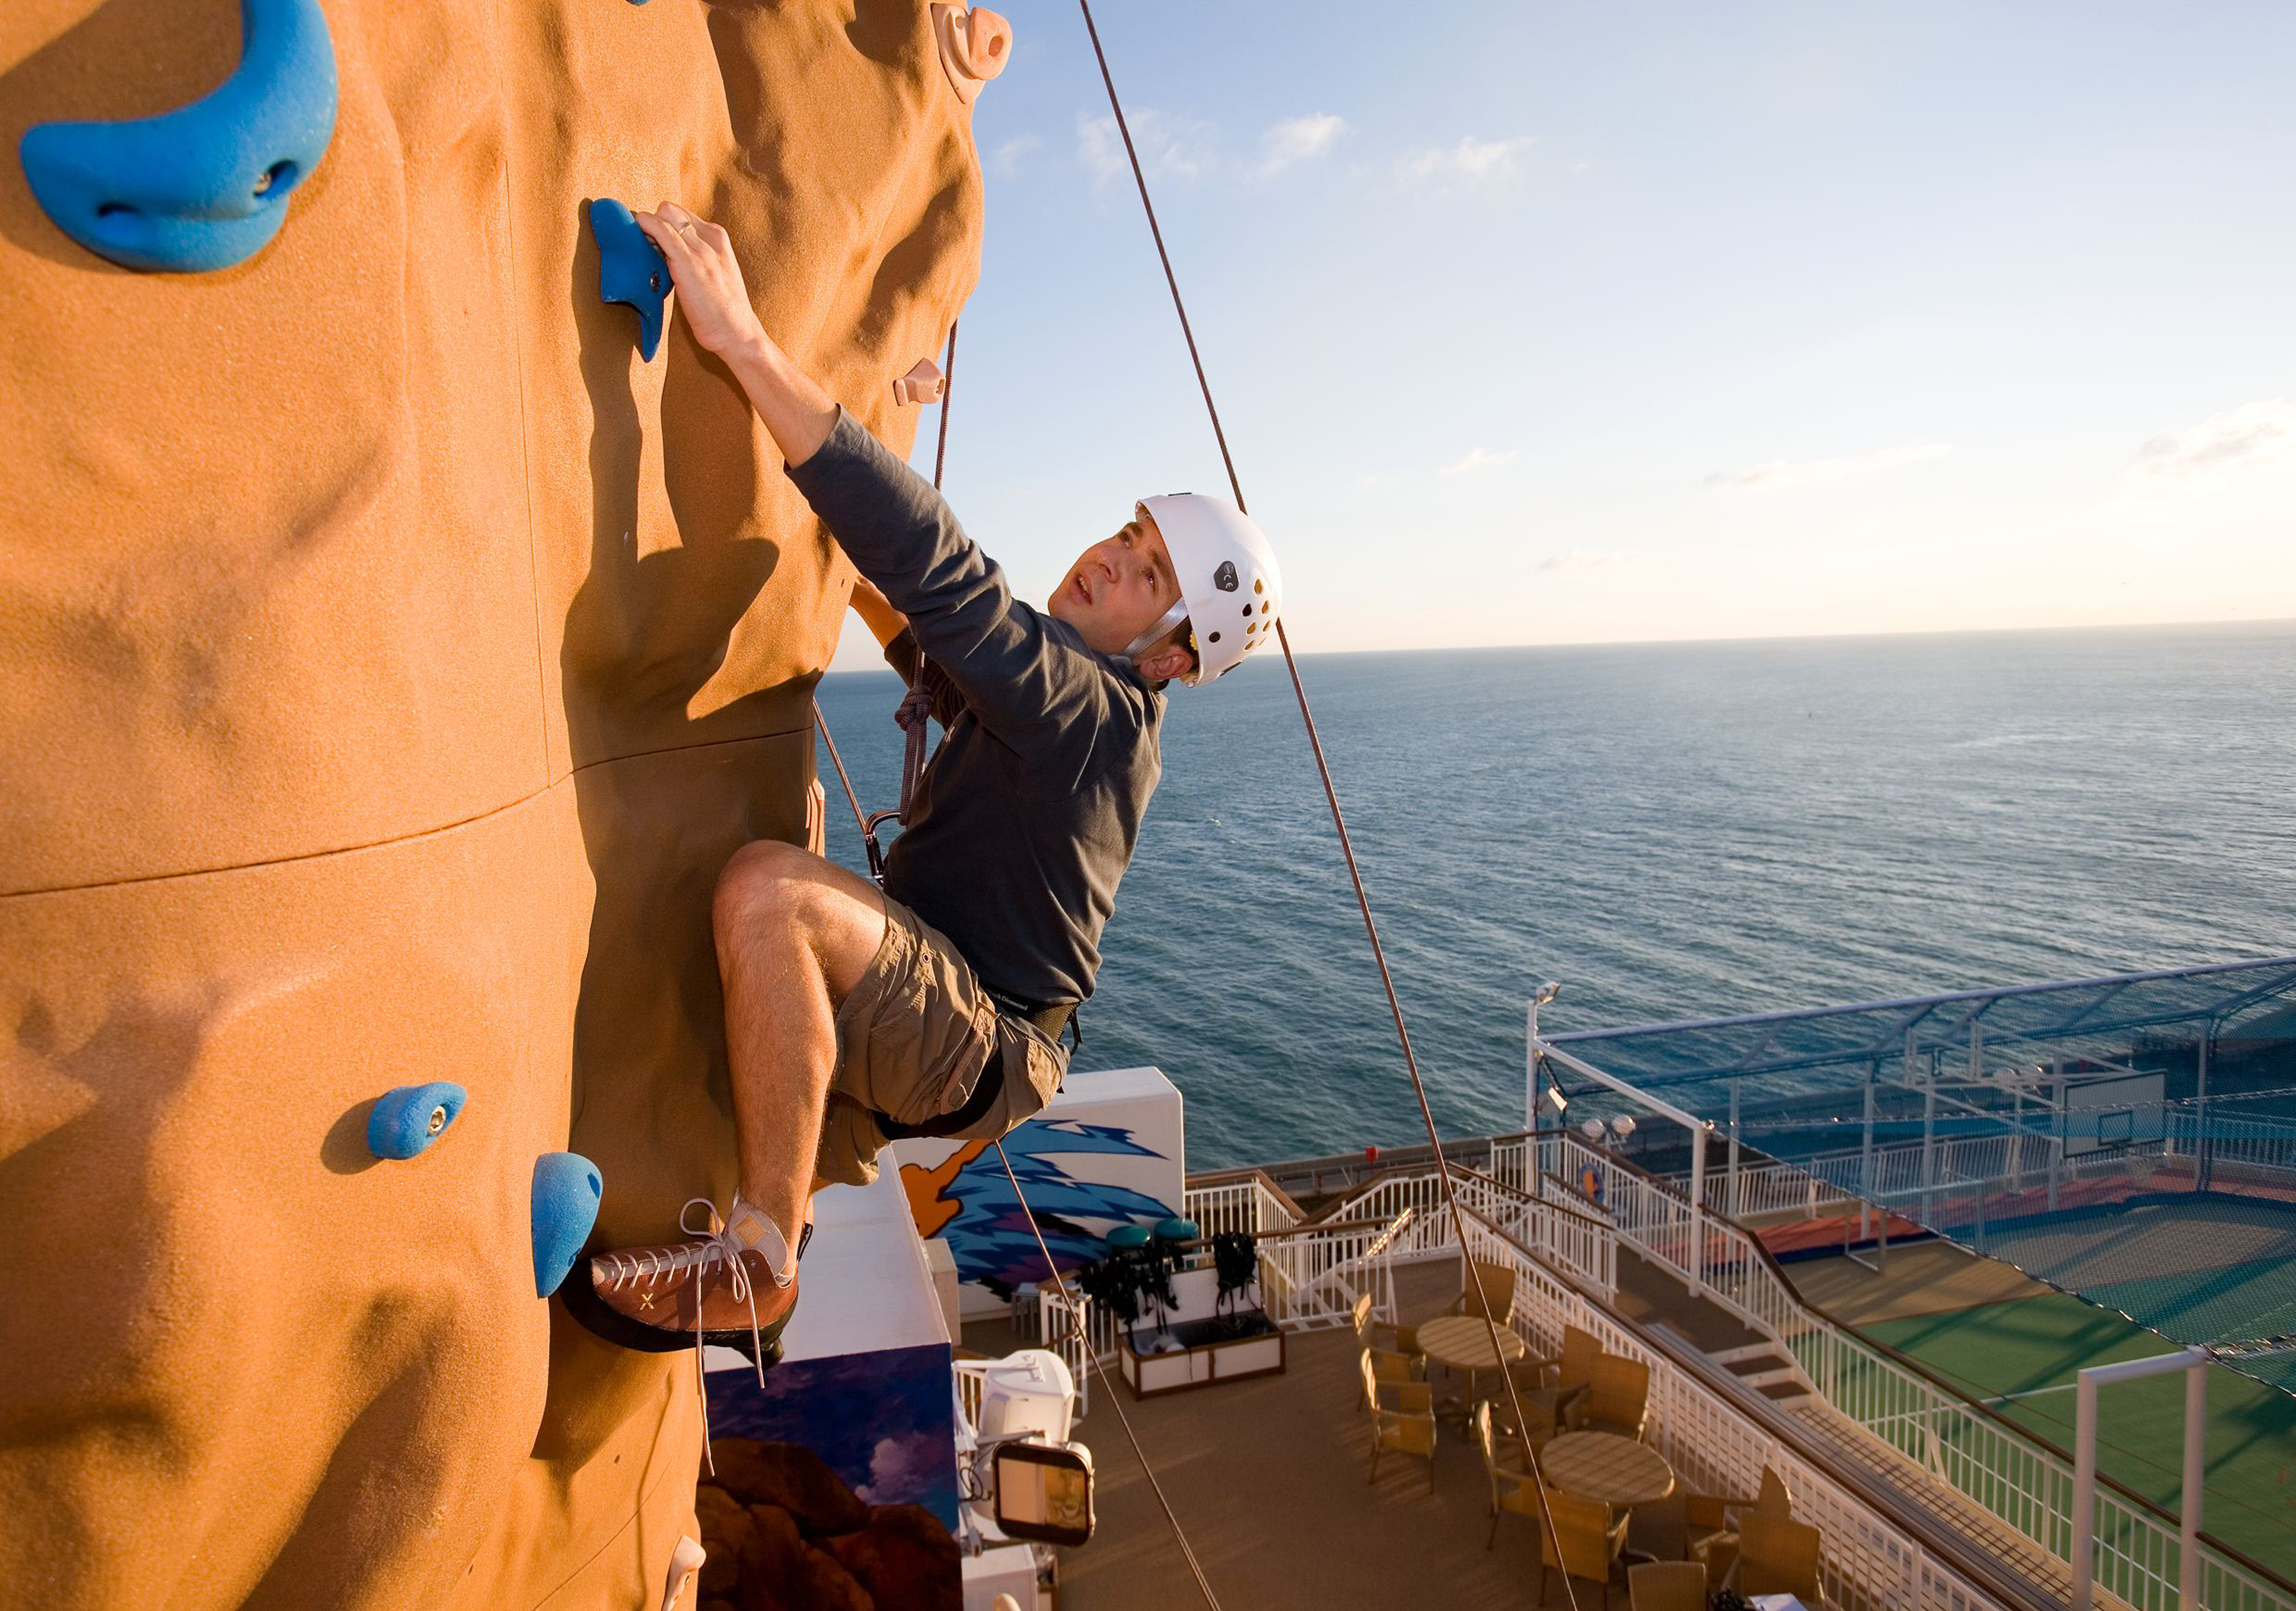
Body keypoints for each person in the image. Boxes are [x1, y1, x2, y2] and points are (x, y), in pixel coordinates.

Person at [568, 202, 1284, 1366]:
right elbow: (939, 652)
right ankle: (750, 1235)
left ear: (1169, 656)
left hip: (982, 1042)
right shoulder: (1064, 706)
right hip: (954, 1002)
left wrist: (746, 344)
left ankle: (759, 1262)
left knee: (767, 892)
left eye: (1148, 573)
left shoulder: (1099, 714)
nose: (1110, 557)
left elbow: (949, 582)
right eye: (1124, 535)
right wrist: (863, 525)